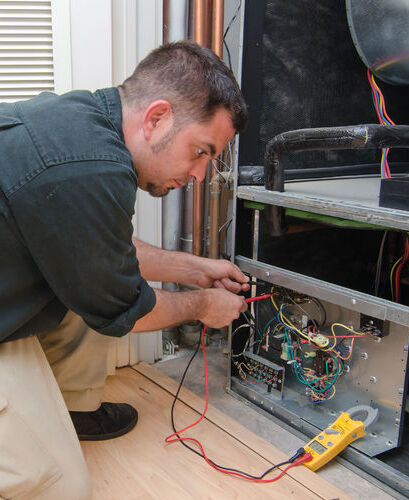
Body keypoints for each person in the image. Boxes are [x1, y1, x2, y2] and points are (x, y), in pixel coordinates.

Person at [0, 41, 249, 499]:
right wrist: (203, 305)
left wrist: (197, 269)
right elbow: (128, 310)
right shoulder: (90, 169)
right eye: (200, 151)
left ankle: (70, 411)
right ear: (156, 118)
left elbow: (99, 246)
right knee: (56, 485)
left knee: (88, 286)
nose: (198, 175)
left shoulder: (83, 120)